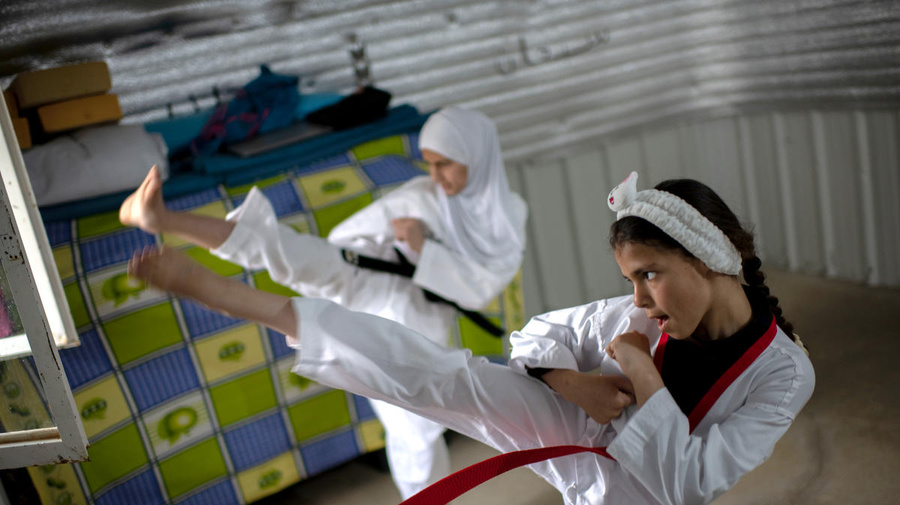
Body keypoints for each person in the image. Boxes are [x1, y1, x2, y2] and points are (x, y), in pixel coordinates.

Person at [127, 171, 815, 505]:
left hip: (643, 490)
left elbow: (686, 481)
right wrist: (567, 379)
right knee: (444, 376)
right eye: (631, 279)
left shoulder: (784, 374)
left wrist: (641, 368)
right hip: (587, 427)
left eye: (650, 275)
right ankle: (237, 297)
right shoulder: (640, 315)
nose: (636, 299)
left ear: (707, 258)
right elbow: (539, 332)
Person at [119, 107, 528, 499]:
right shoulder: (422, 194)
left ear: (478, 157)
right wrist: (372, 250)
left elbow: (481, 287)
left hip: (415, 308)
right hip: (369, 275)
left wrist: (423, 250)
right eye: (430, 164)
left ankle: (424, 499)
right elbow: (349, 240)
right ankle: (163, 219)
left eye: (446, 165)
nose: (436, 177)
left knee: (414, 423)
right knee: (286, 250)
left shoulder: (509, 213)